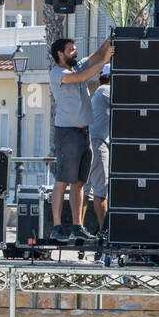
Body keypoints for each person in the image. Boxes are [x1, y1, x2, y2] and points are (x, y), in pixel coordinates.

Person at [47, 36, 113, 242]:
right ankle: (57, 227)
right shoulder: (59, 73)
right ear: (60, 54)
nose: (75, 53)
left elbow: (96, 55)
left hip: (84, 133)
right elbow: (83, 77)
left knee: (79, 182)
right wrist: (105, 63)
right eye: (71, 50)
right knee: (62, 180)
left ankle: (77, 226)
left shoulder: (76, 67)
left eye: (75, 49)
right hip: (67, 133)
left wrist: (111, 39)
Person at [87, 65, 112, 231]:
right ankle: (105, 232)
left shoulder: (100, 91)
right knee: (100, 192)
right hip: (98, 144)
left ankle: (83, 227)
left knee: (87, 190)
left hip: (93, 142)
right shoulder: (105, 90)